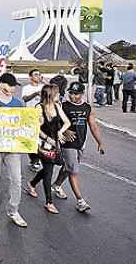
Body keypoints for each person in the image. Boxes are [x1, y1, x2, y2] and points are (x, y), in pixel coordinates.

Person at [51, 82, 105, 212]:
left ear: (82, 94)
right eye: (71, 93)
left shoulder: (87, 108)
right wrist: (64, 131)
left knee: (68, 168)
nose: (73, 96)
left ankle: (57, 185)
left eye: (76, 94)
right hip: (67, 144)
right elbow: (53, 122)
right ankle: (80, 201)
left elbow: (93, 126)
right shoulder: (63, 106)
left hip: (81, 143)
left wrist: (100, 142)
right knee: (74, 171)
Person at [0, 73, 28, 228]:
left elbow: (25, 123)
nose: (11, 88)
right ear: (0, 84)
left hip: (13, 148)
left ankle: (14, 209)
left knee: (17, 179)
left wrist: (36, 121)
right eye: (8, 85)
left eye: (13, 86)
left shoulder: (19, 103)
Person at [25, 84, 71, 214]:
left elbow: (67, 122)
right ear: (51, 95)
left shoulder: (57, 106)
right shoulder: (38, 108)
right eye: (57, 93)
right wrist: (48, 139)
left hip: (55, 144)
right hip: (42, 145)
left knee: (49, 168)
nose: (59, 95)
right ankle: (49, 202)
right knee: (49, 172)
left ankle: (32, 184)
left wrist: (60, 132)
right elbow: (36, 129)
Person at [22, 69, 44, 172]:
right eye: (36, 75)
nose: (38, 76)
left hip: (42, 116)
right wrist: (35, 94)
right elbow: (25, 99)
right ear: (30, 77)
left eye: (39, 75)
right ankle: (34, 159)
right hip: (30, 116)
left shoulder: (44, 87)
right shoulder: (26, 88)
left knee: (40, 139)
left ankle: (37, 159)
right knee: (31, 140)